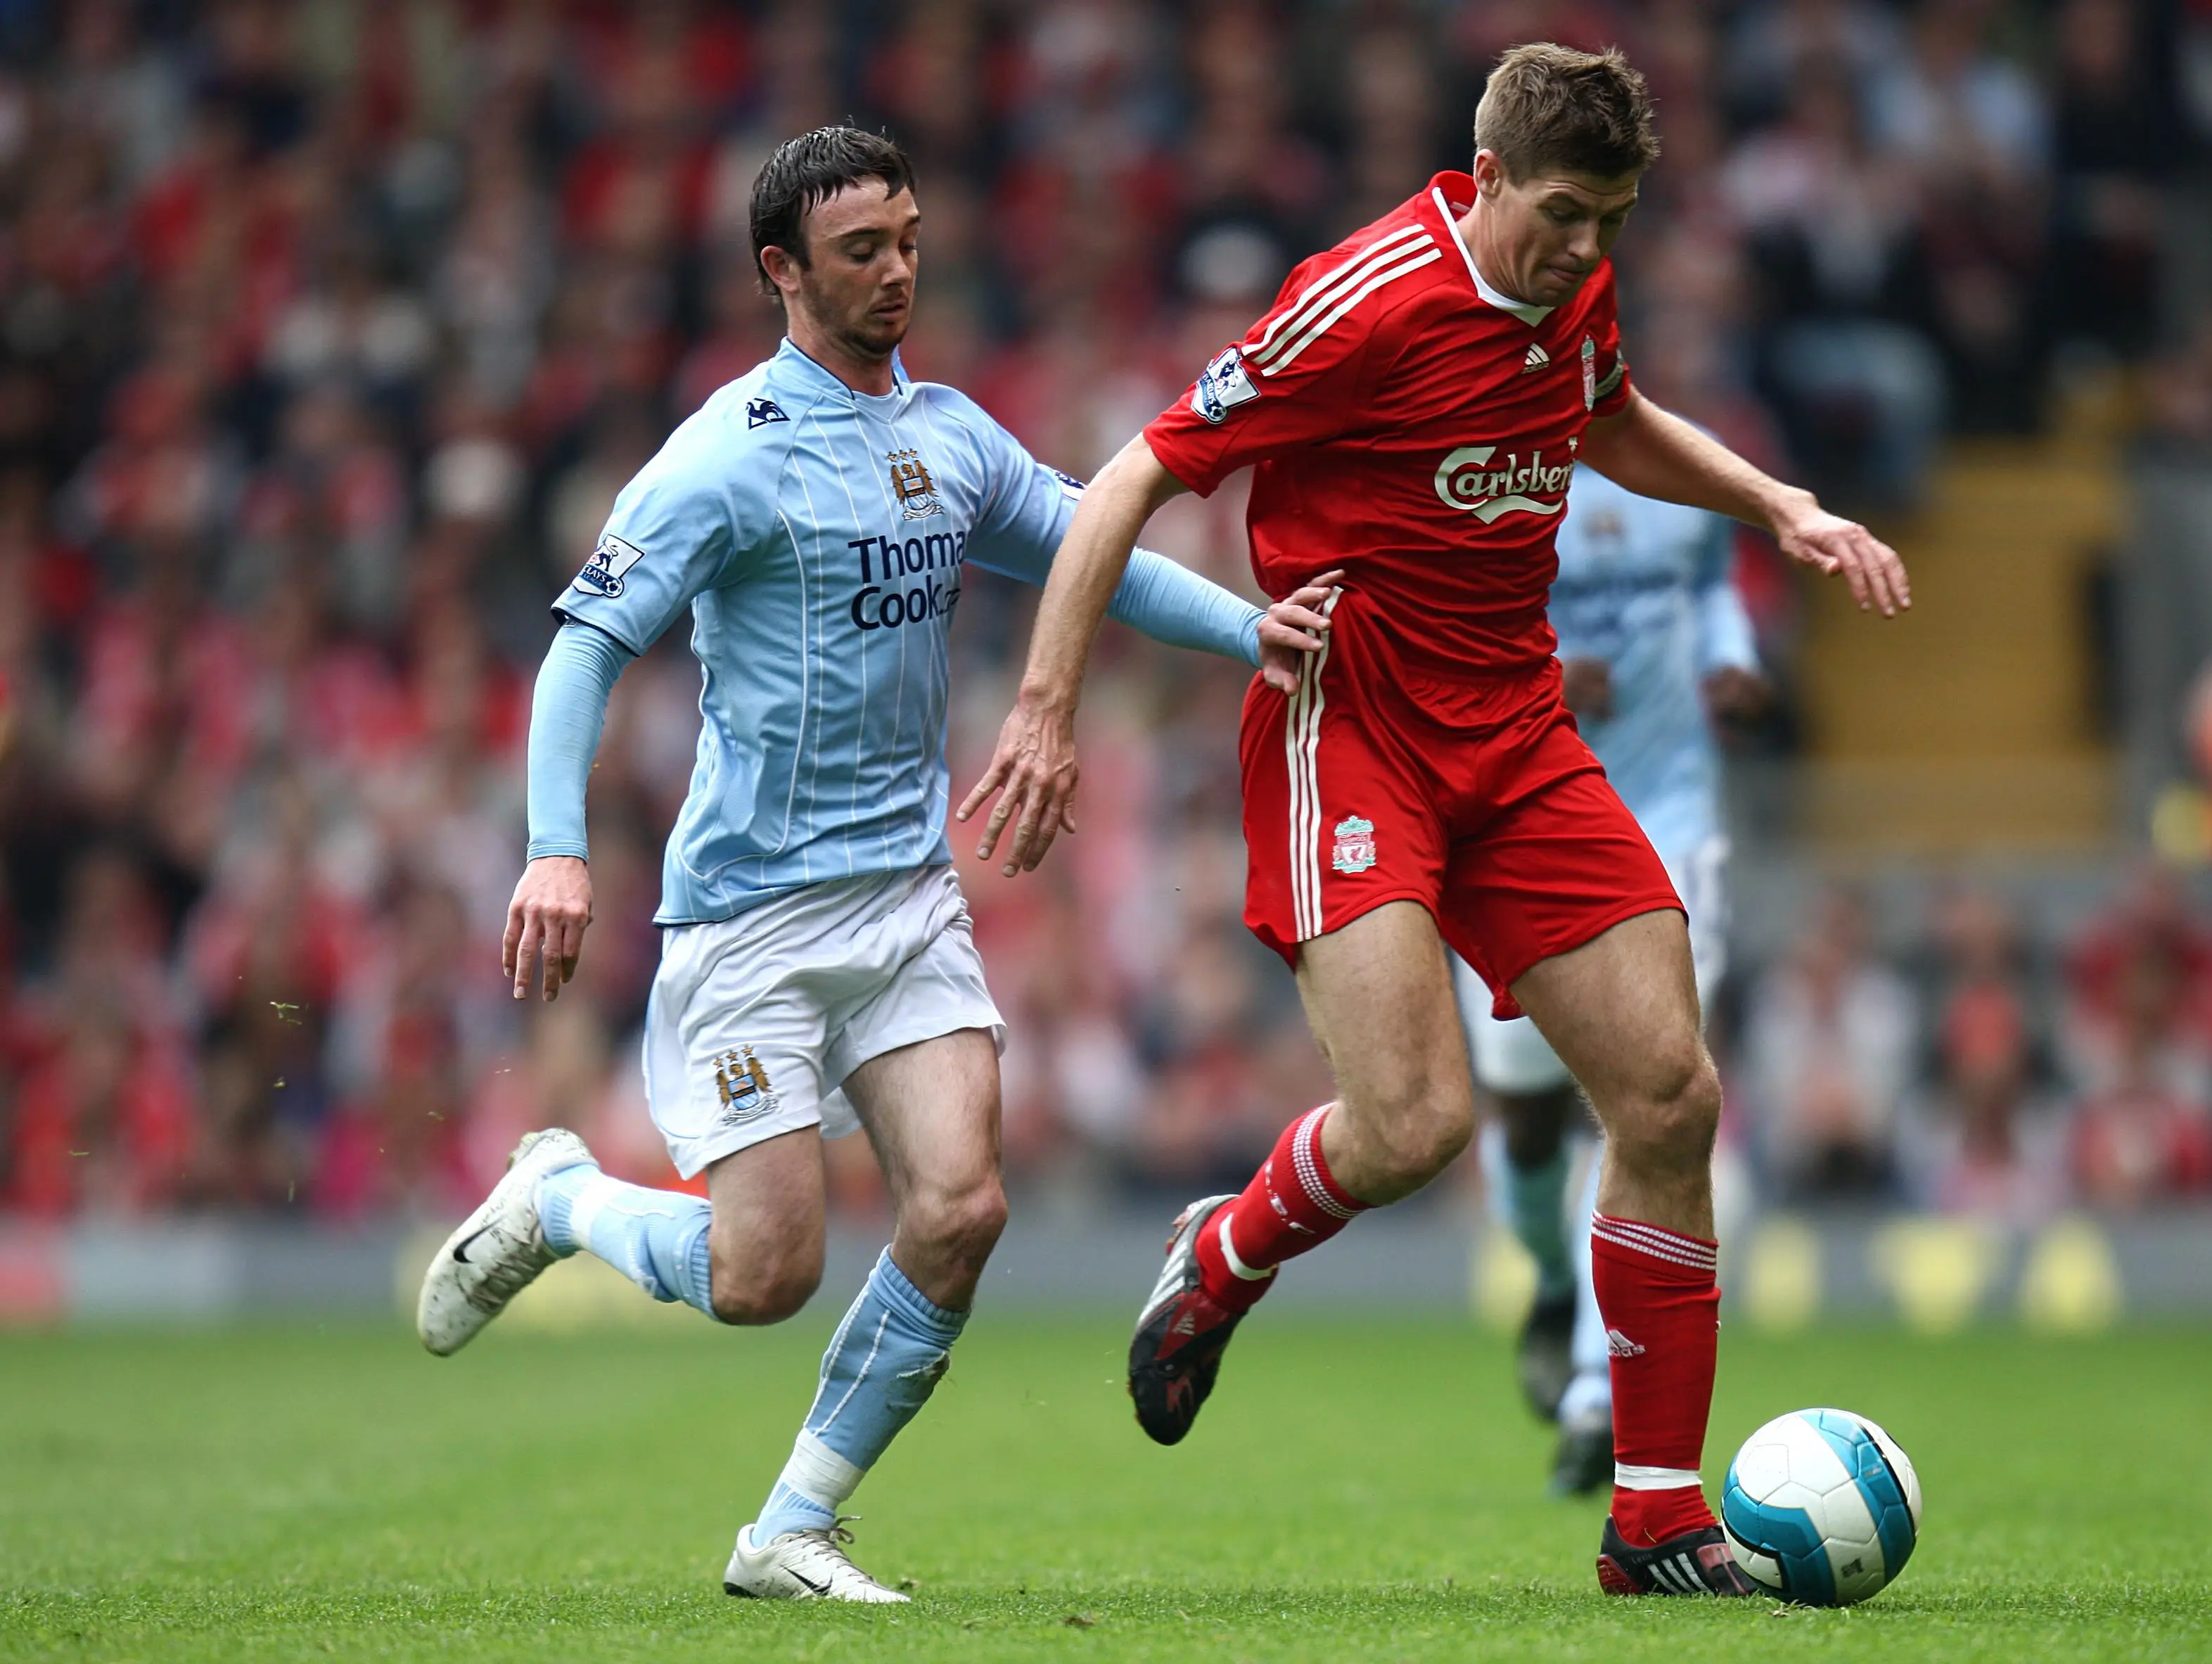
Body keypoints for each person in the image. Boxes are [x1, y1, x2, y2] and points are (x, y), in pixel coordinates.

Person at [958, 46, 1909, 1596]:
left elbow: (1610, 417)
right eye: (1558, 214)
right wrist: (1045, 703)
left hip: (1519, 737)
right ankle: (1222, 1256)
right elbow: (1131, 474)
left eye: (1610, 219)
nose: (1585, 249)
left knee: (1667, 1096)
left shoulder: (1571, 293)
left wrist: (1781, 507)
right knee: (1412, 1128)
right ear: (1481, 184)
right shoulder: (1364, 300)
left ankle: (1656, 1522)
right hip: (1356, 735)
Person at [411, 127, 1334, 1605]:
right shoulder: (723, 458)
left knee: (962, 1207)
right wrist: (555, 851)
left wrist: (1251, 630)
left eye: (907, 236)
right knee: (759, 1275)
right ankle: (565, 1196)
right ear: (781, 270)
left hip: (905, 899)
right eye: (861, 249)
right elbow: (583, 643)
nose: (897, 267)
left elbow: (1086, 541)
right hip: (750, 917)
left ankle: (788, 1525)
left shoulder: (951, 436)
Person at [1458, 462, 1766, 1498]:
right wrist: (1541, 674)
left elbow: (1715, 578)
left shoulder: (1684, 478)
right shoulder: (1478, 479)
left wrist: (1734, 657)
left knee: (1652, 1100)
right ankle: (1553, 1281)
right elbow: (1433, 633)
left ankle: (1599, 1391)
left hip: (1670, 820)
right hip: (1518, 816)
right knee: (1528, 1115)